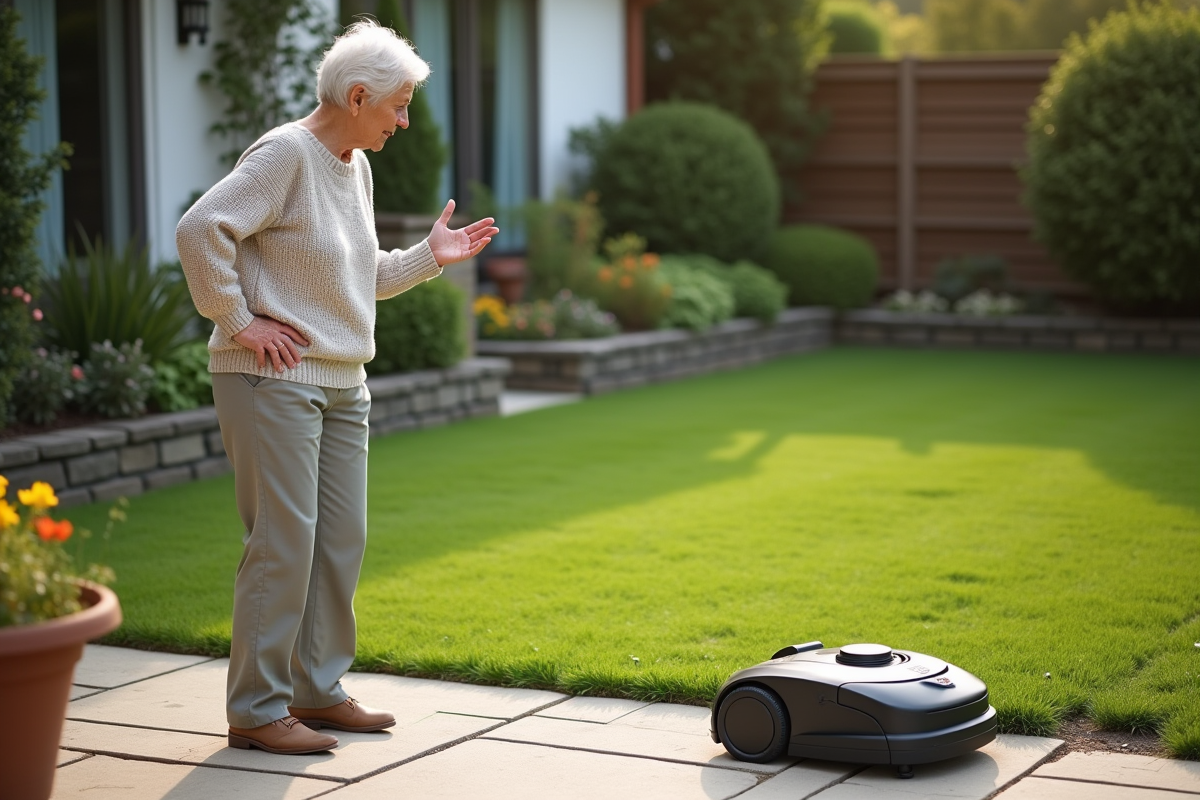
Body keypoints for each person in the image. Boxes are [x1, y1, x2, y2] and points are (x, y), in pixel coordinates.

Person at [176, 20, 497, 756]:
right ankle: (257, 708)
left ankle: (317, 691)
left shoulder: (354, 165)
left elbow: (355, 279)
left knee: (338, 543)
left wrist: (428, 257)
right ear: (358, 96)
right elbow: (201, 229)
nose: (405, 121)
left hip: (343, 381)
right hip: (272, 378)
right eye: (399, 105)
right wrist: (239, 319)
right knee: (282, 544)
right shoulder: (285, 153)